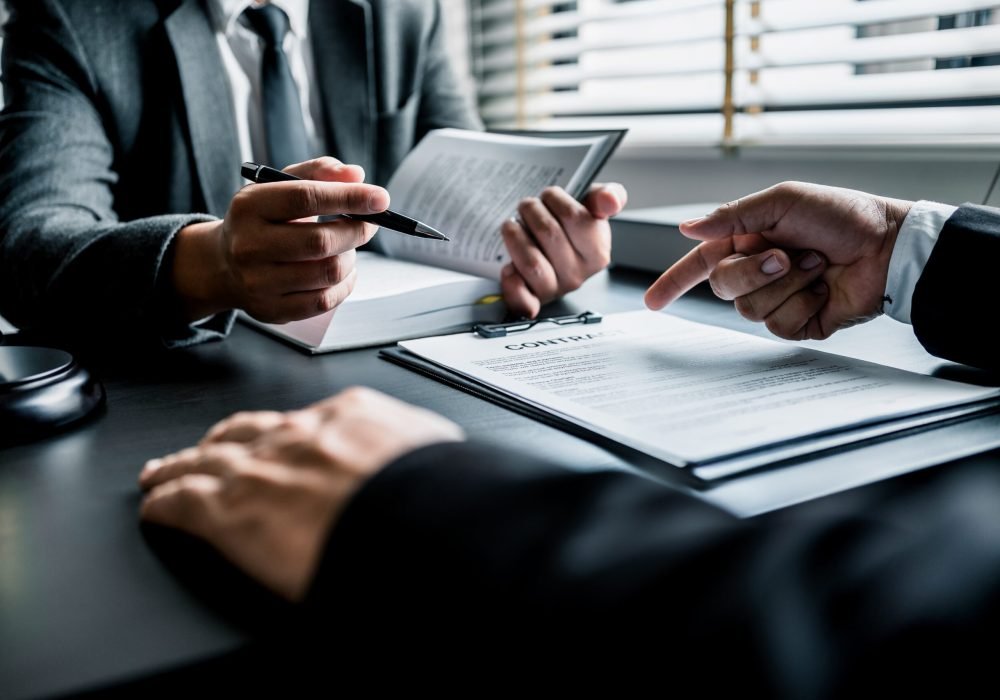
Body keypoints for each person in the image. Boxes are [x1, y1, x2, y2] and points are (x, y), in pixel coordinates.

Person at [138, 182, 1000, 692]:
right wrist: (899, 246)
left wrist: (550, 252)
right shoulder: (77, 18)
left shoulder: (389, 16)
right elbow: (28, 230)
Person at [0, 0, 625, 347]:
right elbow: (28, 246)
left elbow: (478, 185)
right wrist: (213, 263)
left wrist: (544, 242)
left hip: (399, 363)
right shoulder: (72, 20)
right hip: (191, 391)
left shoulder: (405, 14)